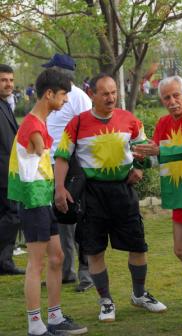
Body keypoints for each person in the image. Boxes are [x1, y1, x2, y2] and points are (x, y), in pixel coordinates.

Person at [54, 73, 167, 323]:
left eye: (114, 92)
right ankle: (105, 301)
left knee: (137, 245)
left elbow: (143, 152)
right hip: (92, 195)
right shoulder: (77, 123)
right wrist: (59, 188)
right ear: (92, 94)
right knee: (94, 250)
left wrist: (140, 168)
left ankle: (139, 295)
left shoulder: (129, 120)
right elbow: (62, 157)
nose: (111, 97)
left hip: (123, 193)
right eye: (104, 93)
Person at [7, 68, 88, 336]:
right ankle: (35, 325)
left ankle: (54, 317)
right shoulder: (33, 125)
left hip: (42, 200)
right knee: (37, 263)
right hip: (34, 203)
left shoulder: (38, 122)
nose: (66, 100)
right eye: (63, 94)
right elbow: (44, 152)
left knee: (57, 257)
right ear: (49, 94)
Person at [133, 75, 182, 321]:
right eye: (166, 97)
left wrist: (160, 150)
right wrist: (141, 155)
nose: (172, 101)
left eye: (176, 95)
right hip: (179, 195)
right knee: (181, 250)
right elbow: (158, 156)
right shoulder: (163, 123)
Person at [44, 53, 93, 291]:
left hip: (73, 163)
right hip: (50, 163)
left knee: (80, 217)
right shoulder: (51, 96)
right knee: (61, 217)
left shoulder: (79, 98)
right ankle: (66, 271)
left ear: (61, 72)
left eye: (50, 70)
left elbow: (87, 131)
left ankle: (87, 274)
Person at [0, 64, 25, 276]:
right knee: (13, 214)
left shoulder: (6, 104)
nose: (8, 84)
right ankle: (4, 261)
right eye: (3, 80)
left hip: (8, 170)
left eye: (11, 80)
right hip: (3, 171)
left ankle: (4, 262)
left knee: (8, 214)